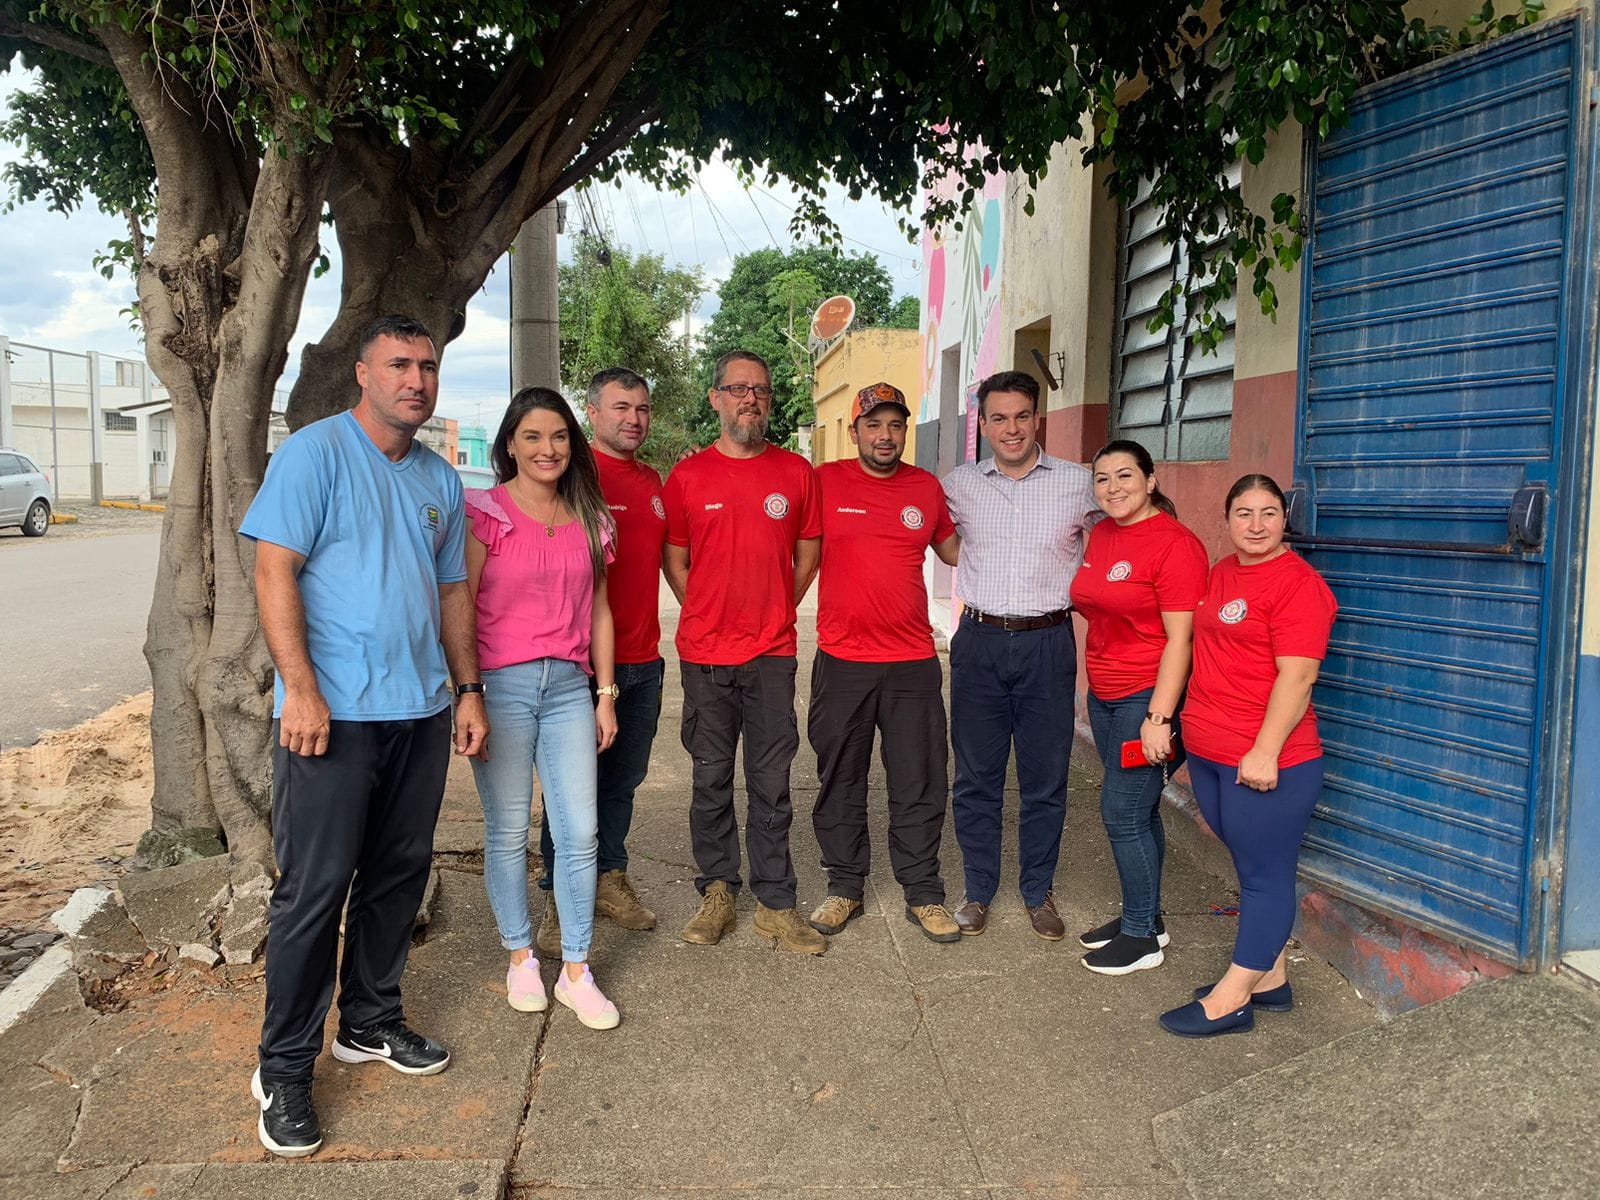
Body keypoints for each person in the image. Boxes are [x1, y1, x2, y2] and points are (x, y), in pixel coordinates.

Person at [241, 314, 487, 1158]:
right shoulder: (314, 454)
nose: (415, 380)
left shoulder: (437, 479)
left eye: (427, 367)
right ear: (362, 372)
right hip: (331, 719)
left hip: (418, 713)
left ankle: (371, 1022)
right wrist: (300, 690)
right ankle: (283, 1067)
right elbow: (274, 569)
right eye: (399, 365)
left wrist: (466, 691)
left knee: (395, 876)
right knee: (312, 892)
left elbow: (454, 592)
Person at [466, 387, 622, 1031]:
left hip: (568, 690)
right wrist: (466, 693)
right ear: (510, 444)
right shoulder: (484, 512)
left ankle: (577, 971)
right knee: (507, 830)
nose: (547, 448)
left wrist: (604, 694)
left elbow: (600, 611)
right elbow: (460, 605)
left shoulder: (592, 518)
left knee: (579, 832)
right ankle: (521, 956)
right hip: (499, 687)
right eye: (532, 436)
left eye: (558, 436)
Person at [1159, 474, 1337, 1037]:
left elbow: (1299, 673)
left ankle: (1230, 1000)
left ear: (1285, 519)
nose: (1255, 525)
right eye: (1243, 513)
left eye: (1268, 513)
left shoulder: (1298, 585)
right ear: (1227, 519)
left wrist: (1266, 750)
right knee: (1252, 867)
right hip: (1211, 752)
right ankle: (1272, 978)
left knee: (1264, 878)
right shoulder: (1222, 572)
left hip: (1264, 760)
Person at [662, 349, 826, 954]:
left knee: (771, 782)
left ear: (769, 401)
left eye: (759, 389)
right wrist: (704, 604)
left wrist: (778, 604)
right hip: (705, 656)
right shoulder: (687, 477)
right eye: (736, 389)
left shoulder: (795, 473)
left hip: (772, 654)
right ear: (715, 399)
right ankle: (719, 891)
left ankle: (776, 902)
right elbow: (675, 559)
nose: (749, 398)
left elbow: (808, 550)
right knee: (710, 779)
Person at [941, 370, 1100, 939]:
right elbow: (942, 545)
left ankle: (1038, 891)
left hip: (1047, 643)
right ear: (982, 424)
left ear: (1038, 420)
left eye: (1021, 416)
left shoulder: (1080, 485)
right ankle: (978, 890)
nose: (1011, 429)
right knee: (976, 777)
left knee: (1045, 777)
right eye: (998, 418)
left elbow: (1128, 531)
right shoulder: (957, 485)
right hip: (979, 641)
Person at [807, 382, 963, 944]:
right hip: (843, 660)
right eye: (874, 425)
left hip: (912, 662)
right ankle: (844, 884)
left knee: (919, 781)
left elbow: (956, 551)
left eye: (896, 425)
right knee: (840, 779)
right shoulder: (824, 483)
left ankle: (923, 892)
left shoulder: (926, 488)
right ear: (855, 432)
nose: (885, 435)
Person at [534, 368, 664, 958]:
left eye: (641, 408)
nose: (632, 418)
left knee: (623, 782)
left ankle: (609, 878)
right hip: (580, 668)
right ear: (592, 413)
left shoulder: (654, 482)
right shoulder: (569, 476)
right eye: (620, 407)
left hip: (645, 659)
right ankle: (562, 895)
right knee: (571, 788)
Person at [1070, 440, 1209, 975]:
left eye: (1125, 475)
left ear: (1151, 480)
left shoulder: (1175, 545)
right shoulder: (1103, 533)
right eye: (1102, 479)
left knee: (1122, 812)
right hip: (1103, 694)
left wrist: (1159, 718)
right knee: (1139, 808)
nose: (1113, 488)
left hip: (1146, 698)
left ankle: (1140, 939)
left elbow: (1183, 640)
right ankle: (1145, 917)